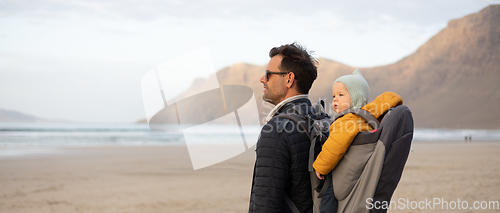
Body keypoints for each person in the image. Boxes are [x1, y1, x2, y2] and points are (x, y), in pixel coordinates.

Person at [248, 42, 318, 213]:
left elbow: (264, 205)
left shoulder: (276, 131)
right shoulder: (320, 119)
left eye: (268, 74)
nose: (262, 79)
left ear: (289, 79)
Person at [313, 70, 403, 181]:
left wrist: (321, 166)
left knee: (327, 196)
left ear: (357, 97)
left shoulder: (347, 121)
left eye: (341, 95)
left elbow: (334, 146)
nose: (335, 98)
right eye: (333, 96)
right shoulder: (366, 118)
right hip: (362, 170)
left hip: (346, 174)